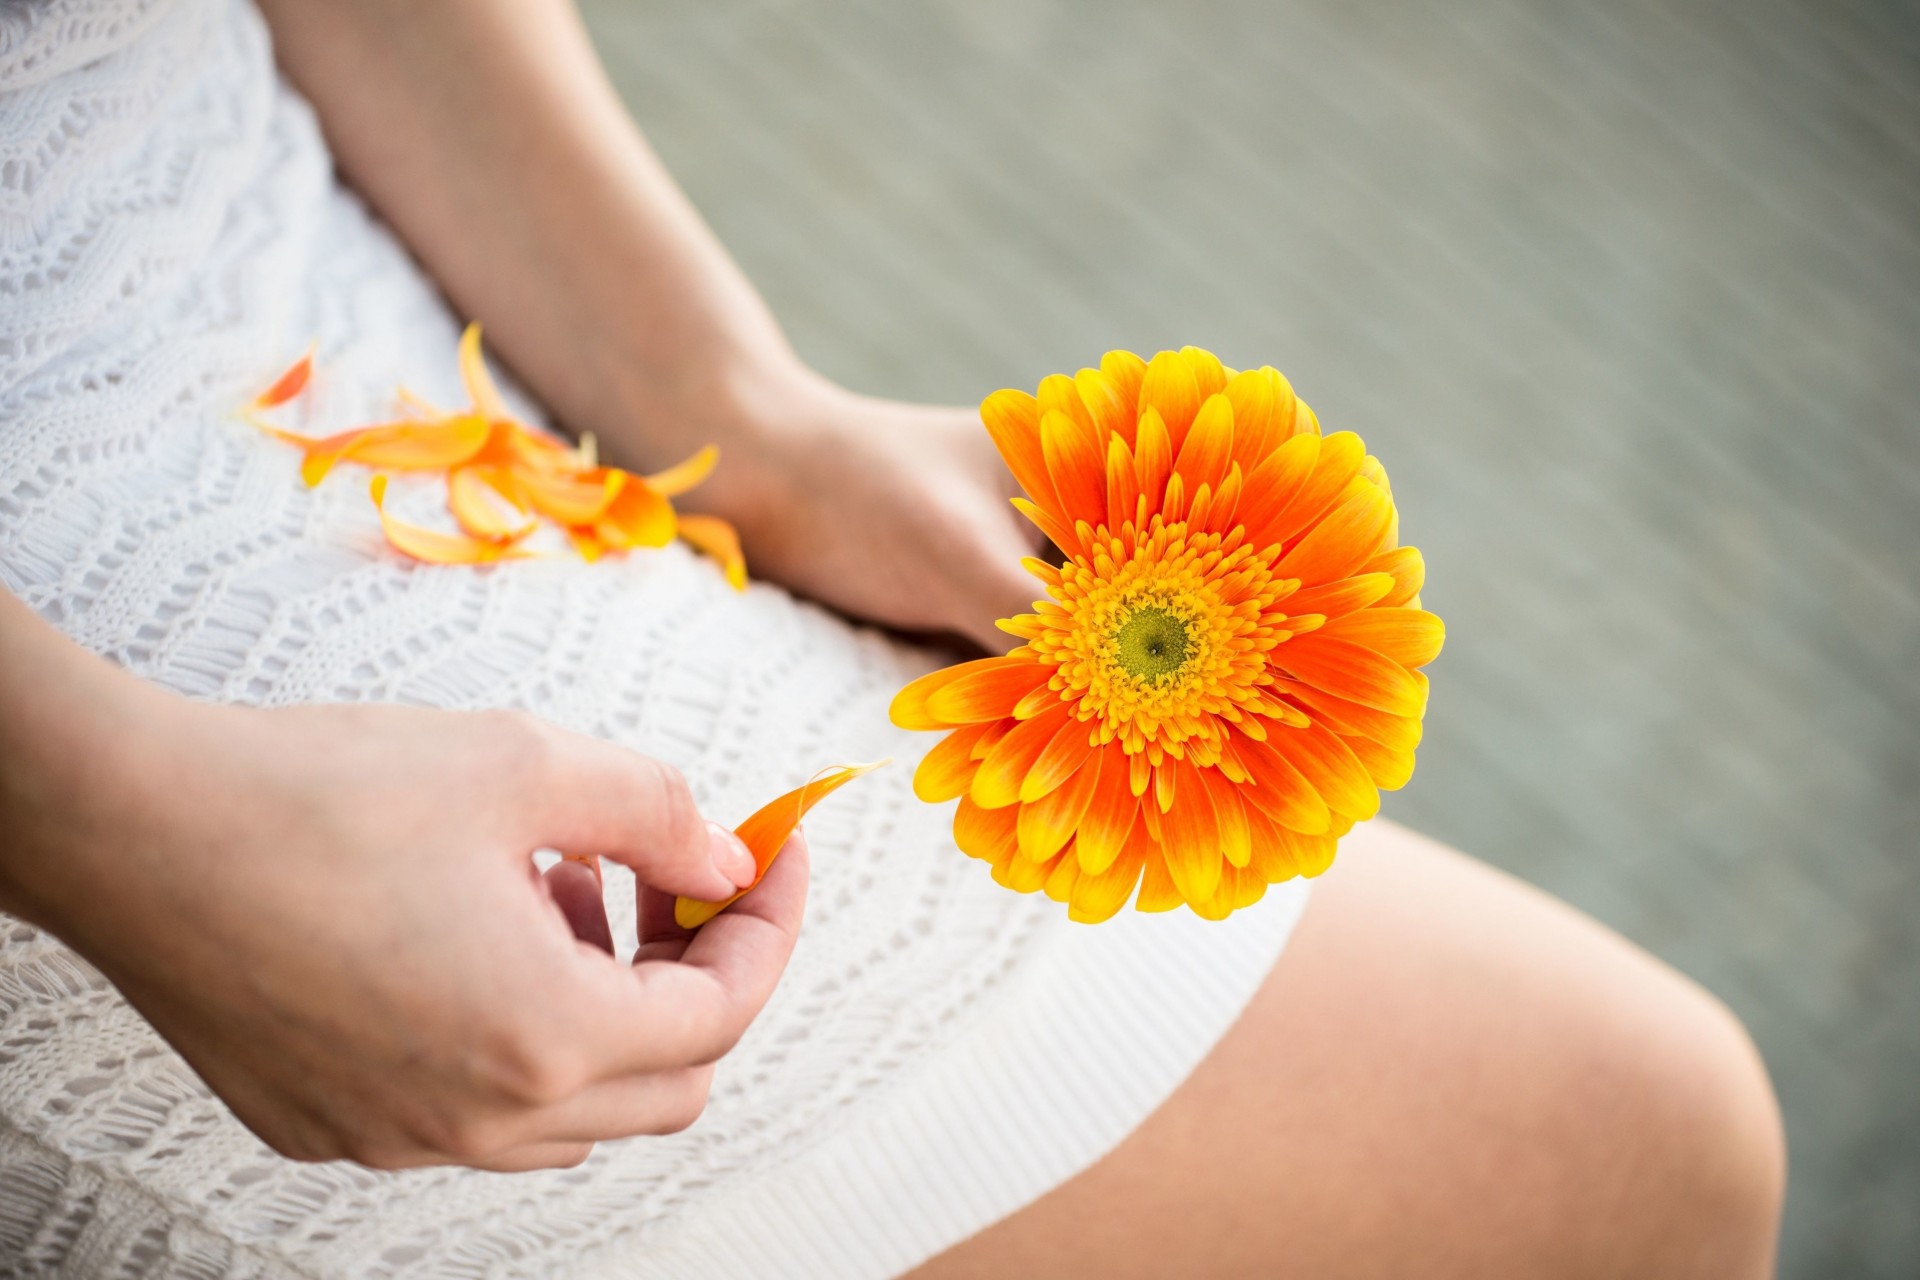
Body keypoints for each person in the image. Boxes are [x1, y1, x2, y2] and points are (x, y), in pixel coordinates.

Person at [0, 0, 1784, 1275]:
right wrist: (131, 835)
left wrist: (741, 416)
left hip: (317, 285)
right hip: (95, 729)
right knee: (1634, 1145)